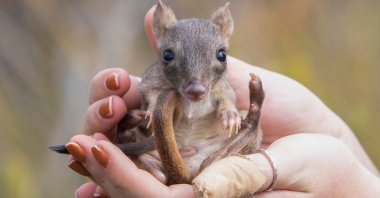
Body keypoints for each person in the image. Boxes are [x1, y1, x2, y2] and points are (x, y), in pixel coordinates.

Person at [66, 6, 380, 198]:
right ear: (161, 34)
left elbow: (225, 97)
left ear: (225, 32)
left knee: (248, 128)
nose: (197, 83)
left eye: (218, 58)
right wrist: (148, 109)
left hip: (213, 151)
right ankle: (149, 161)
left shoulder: (221, 85)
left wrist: (230, 111)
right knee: (126, 127)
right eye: (170, 57)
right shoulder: (159, 81)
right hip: (171, 153)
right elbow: (149, 89)